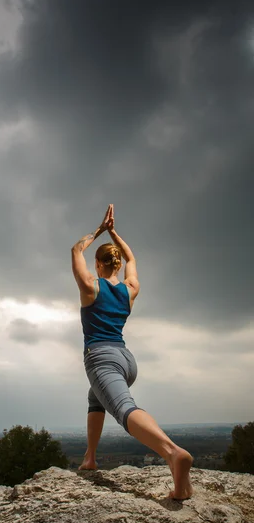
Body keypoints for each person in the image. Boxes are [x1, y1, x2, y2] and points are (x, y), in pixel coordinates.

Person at [71, 204, 193, 500]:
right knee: (95, 396)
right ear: (117, 265)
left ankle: (172, 453)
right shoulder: (130, 288)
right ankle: (90, 457)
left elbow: (76, 250)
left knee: (124, 408)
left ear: (98, 265)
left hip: (102, 358)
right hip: (126, 361)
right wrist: (115, 233)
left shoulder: (91, 286)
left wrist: (99, 230)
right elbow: (132, 258)